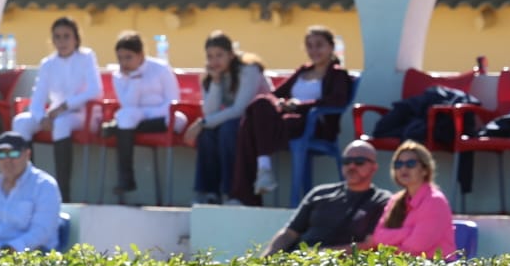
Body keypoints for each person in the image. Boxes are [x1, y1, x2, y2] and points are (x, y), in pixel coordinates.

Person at [230, 26, 353, 206]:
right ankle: (261, 173)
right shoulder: (302, 71)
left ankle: (251, 187)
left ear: (331, 47)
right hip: (287, 121)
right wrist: (281, 104)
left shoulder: (338, 74)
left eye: (319, 45)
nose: (314, 50)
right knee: (259, 106)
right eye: (310, 45)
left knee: (250, 127)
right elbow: (274, 94)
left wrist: (299, 106)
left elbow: (336, 101)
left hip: (312, 125)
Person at [16, 16, 98, 199]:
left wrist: (65, 106)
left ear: (76, 38)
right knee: (21, 122)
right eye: (57, 37)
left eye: (66, 36)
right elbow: (38, 97)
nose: (62, 42)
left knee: (61, 124)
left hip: (82, 113)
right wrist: (41, 118)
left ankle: (63, 193)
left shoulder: (86, 57)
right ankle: (27, 187)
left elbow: (95, 90)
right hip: (55, 114)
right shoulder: (48, 64)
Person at [186, 30, 271, 204]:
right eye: (210, 56)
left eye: (219, 55)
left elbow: (239, 110)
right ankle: (209, 192)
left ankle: (233, 192)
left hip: (260, 125)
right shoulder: (210, 76)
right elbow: (210, 112)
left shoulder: (249, 70)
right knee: (207, 134)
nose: (214, 61)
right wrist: (216, 82)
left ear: (231, 55)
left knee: (227, 129)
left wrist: (201, 123)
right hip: (235, 122)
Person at [265, 139, 391, 254]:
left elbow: (370, 245)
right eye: (346, 161)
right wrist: (266, 258)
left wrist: (321, 255)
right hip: (297, 260)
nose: (351, 166)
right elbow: (289, 232)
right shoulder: (319, 193)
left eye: (359, 162)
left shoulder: (383, 200)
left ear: (374, 167)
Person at [102, 30, 178, 198]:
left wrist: (145, 113)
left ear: (141, 54)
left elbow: (173, 102)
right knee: (125, 116)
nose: (124, 63)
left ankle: (115, 128)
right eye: (120, 58)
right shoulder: (118, 76)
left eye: (128, 57)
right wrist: (134, 79)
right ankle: (126, 179)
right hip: (135, 119)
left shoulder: (161, 69)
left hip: (162, 117)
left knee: (124, 121)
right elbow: (128, 105)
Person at [0, 131, 63, 254]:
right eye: (1, 154)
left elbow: (41, 232)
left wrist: (5, 251)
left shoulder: (45, 185)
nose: (7, 160)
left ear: (27, 154)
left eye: (14, 153)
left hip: (31, 258)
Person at [363, 140, 457, 259]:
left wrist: (390, 244)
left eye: (411, 163)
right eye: (398, 164)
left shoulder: (435, 201)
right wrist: (408, 232)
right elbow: (378, 237)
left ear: (425, 170)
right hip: (402, 264)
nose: (403, 168)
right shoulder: (395, 200)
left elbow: (416, 247)